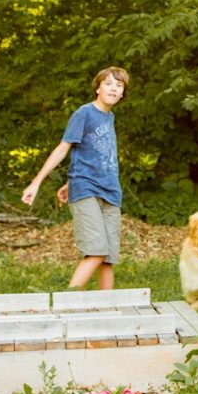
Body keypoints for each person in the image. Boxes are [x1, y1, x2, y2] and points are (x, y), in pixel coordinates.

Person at [22, 67, 130, 289]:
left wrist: (69, 181)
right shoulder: (84, 113)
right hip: (87, 190)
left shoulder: (110, 117)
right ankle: (68, 303)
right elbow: (63, 148)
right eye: (108, 83)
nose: (113, 88)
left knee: (107, 258)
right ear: (97, 88)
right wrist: (36, 182)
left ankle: (107, 309)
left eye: (119, 86)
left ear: (122, 94)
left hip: (111, 192)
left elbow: (93, 155)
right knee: (96, 251)